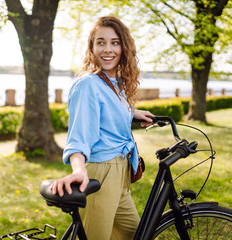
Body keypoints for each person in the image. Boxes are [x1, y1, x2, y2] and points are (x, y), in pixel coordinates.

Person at [50, 16, 154, 240]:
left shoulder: (113, 82)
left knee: (135, 235)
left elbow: (107, 108)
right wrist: (79, 170)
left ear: (124, 47)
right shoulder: (87, 84)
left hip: (120, 174)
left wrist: (132, 113)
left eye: (115, 42)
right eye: (101, 42)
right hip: (102, 172)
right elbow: (78, 137)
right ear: (92, 47)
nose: (108, 49)